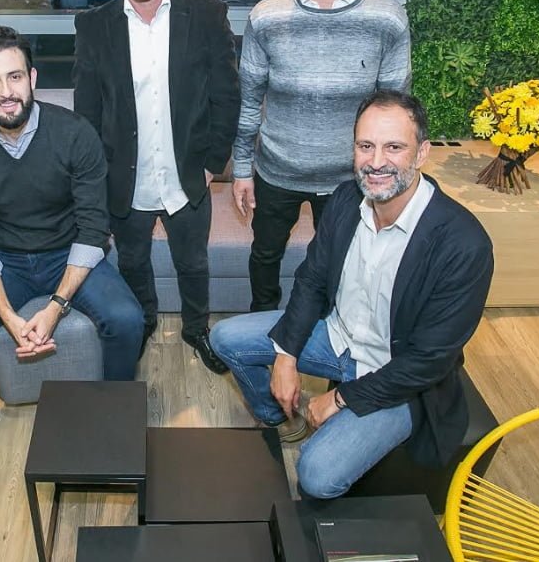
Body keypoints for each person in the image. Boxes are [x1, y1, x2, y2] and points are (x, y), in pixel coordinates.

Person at [211, 90, 494, 498]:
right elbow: (312, 280)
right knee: (225, 337)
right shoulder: (345, 199)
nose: (376, 162)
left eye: (393, 147)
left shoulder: (463, 244)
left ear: (421, 153)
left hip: (397, 376)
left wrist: (340, 399)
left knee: (316, 476)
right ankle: (278, 417)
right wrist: (286, 356)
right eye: (365, 146)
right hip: (338, 337)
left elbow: (427, 362)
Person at [0, 25, 143, 475]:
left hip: (70, 251)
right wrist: (9, 317)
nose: (6, 92)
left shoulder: (75, 134)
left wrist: (55, 307)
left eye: (14, 77)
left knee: (127, 320)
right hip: (7, 260)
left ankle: (115, 405)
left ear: (32, 78)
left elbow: (93, 228)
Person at [73, 0, 240, 373]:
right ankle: (143, 321)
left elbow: (227, 96)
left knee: (194, 262)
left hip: (188, 173)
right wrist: (96, 178)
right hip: (124, 179)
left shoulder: (206, 16)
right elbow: (87, 112)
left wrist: (213, 163)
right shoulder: (94, 26)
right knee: (132, 260)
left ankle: (196, 329)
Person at [232, 0, 410, 314]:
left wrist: (390, 176)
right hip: (277, 171)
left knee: (343, 264)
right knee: (264, 256)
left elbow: (395, 114)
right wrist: (241, 169)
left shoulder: (387, 18)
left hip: (350, 179)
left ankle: (331, 331)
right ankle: (263, 327)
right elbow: (249, 101)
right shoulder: (266, 17)